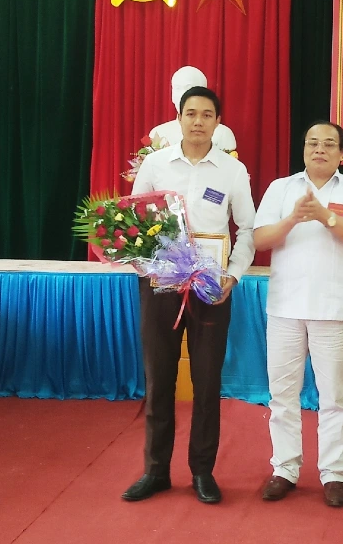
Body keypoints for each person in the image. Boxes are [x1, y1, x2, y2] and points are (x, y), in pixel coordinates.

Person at [123, 86, 255, 505]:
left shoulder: (233, 171)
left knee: (207, 380)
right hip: (161, 286)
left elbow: (247, 230)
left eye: (207, 114)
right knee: (159, 377)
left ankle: (202, 471)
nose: (198, 121)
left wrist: (233, 275)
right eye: (191, 113)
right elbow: (132, 219)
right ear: (178, 118)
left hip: (211, 289)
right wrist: (142, 263)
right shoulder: (156, 164)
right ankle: (156, 471)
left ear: (218, 122)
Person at [253, 120, 343, 508]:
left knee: (334, 397)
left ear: (342, 153)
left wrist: (325, 216)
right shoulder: (281, 188)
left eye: (329, 144)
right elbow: (259, 239)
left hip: (333, 308)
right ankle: (285, 469)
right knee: (282, 395)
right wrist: (292, 218)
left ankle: (334, 473)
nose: (319, 149)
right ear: (304, 149)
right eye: (312, 143)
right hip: (285, 307)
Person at [149, 66, 237, 154]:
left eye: (189, 88)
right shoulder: (158, 133)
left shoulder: (223, 134)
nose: (183, 95)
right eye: (177, 88)